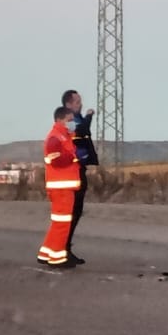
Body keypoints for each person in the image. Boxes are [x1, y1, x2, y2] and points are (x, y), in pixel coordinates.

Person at [38, 107, 83, 268]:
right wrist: (74, 156)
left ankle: (46, 253)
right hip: (61, 188)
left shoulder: (65, 136)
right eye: (70, 120)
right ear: (60, 120)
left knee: (58, 222)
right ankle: (56, 258)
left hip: (62, 187)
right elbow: (56, 160)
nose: (73, 123)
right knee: (62, 223)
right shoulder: (55, 138)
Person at [61, 90, 98, 264]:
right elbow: (82, 130)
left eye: (80, 102)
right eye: (77, 102)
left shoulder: (77, 119)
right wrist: (89, 116)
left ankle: (66, 248)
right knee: (72, 213)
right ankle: (63, 249)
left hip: (79, 170)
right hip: (72, 173)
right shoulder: (69, 122)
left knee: (76, 212)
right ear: (68, 105)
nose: (80, 105)